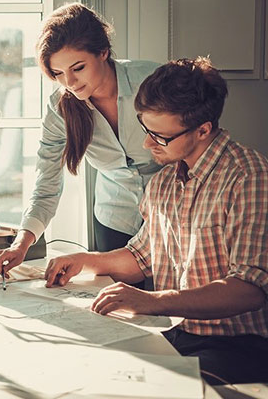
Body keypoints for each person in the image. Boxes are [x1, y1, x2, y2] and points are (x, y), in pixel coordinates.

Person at [44, 57, 268, 385]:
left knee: (157, 388)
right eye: (146, 130)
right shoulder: (164, 182)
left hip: (237, 346)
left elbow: (248, 290)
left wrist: (152, 301)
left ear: (204, 129)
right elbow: (140, 257)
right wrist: (84, 261)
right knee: (84, 369)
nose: (148, 144)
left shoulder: (249, 177)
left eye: (160, 137)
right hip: (174, 335)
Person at [0, 3, 162, 276]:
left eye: (78, 68)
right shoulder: (59, 108)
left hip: (173, 213)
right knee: (117, 306)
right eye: (58, 73)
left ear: (103, 52)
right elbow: (47, 181)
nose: (69, 82)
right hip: (114, 219)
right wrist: (21, 243)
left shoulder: (154, 80)